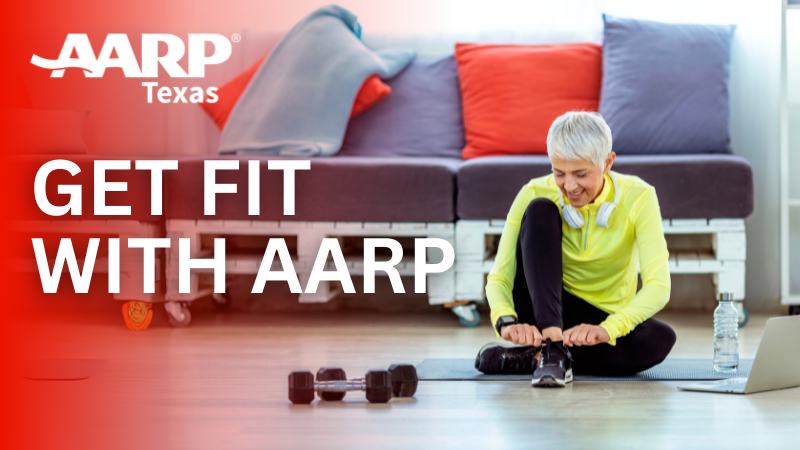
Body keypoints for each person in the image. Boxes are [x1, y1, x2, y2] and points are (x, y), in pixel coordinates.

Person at [474, 111, 676, 387]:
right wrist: (506, 320)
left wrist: (608, 329)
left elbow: (658, 286)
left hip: (596, 320)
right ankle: (554, 345)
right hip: (541, 303)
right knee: (539, 210)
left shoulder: (639, 196)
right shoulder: (533, 191)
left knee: (660, 340)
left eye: (581, 174)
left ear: (607, 163)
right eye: (559, 173)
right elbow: (499, 277)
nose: (569, 186)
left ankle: (537, 357)